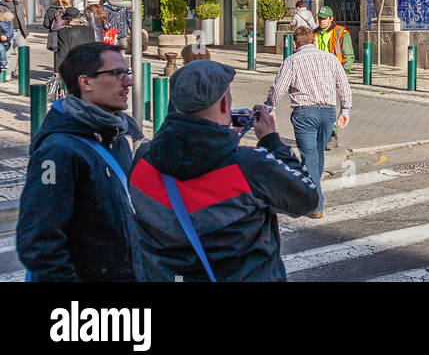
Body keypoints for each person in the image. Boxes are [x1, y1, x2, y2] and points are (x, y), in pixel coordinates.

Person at [129, 60, 318, 281]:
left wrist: (222, 142)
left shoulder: (143, 160)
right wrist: (271, 140)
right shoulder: (250, 166)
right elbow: (307, 196)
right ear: (223, 105)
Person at [16, 40, 140, 281]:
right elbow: (39, 242)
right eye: (116, 73)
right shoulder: (57, 151)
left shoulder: (115, 136)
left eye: (127, 72)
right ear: (85, 82)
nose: (128, 81)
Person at [265, 26, 353, 218]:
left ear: (295, 44)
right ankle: (314, 188)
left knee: (310, 157)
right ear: (313, 40)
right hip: (328, 113)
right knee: (317, 154)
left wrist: (269, 107)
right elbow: (343, 85)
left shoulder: (292, 61)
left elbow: (278, 89)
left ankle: (316, 204)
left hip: (304, 114)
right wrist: (345, 110)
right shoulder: (329, 58)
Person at [315, 7, 354, 151]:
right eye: (319, 18)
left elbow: (349, 56)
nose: (321, 21)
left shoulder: (341, 33)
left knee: (329, 107)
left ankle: (332, 135)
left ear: (331, 18)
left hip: (334, 75)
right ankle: (322, 134)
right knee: (317, 106)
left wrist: (343, 74)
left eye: (324, 18)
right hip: (318, 76)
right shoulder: (314, 33)